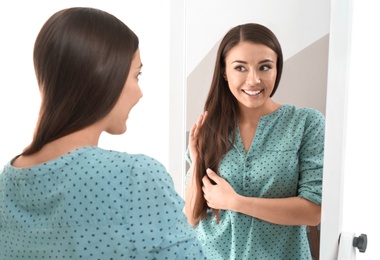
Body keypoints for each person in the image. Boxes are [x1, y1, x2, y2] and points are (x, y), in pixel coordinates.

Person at [0, 7, 206, 259]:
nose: (139, 93)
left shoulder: (8, 183)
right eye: (136, 75)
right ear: (104, 75)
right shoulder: (134, 177)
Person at [184, 23, 324, 259]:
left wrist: (236, 202)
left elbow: (313, 211)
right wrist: (196, 158)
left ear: (277, 69)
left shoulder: (306, 123)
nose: (254, 80)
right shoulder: (210, 127)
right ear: (224, 72)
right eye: (240, 68)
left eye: (265, 67)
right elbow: (190, 216)